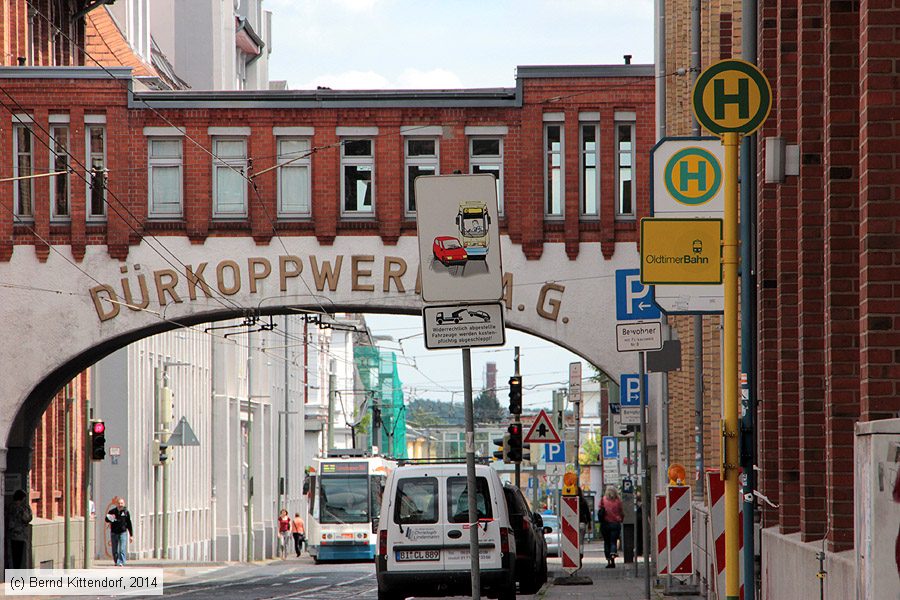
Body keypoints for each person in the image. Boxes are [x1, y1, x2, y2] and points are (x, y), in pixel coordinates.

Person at [599, 485, 624, 568]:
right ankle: (613, 554)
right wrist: (621, 519)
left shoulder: (603, 500)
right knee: (613, 541)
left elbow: (600, 510)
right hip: (615, 524)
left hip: (605, 524)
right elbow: (621, 511)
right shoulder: (618, 501)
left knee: (606, 542)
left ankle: (609, 560)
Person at [6, 489, 33, 569]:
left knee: (12, 557)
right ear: (22, 498)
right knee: (20, 557)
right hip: (21, 536)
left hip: (11, 535)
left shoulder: (10, 506)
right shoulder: (23, 508)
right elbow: (28, 518)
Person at [106, 497, 133, 566]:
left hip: (123, 532)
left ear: (124, 504)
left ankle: (122, 562)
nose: (120, 505)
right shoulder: (112, 511)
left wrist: (131, 535)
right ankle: (117, 562)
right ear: (116, 504)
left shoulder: (126, 512)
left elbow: (129, 523)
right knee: (114, 550)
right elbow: (106, 519)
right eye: (119, 503)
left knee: (122, 549)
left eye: (122, 503)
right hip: (114, 532)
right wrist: (111, 518)